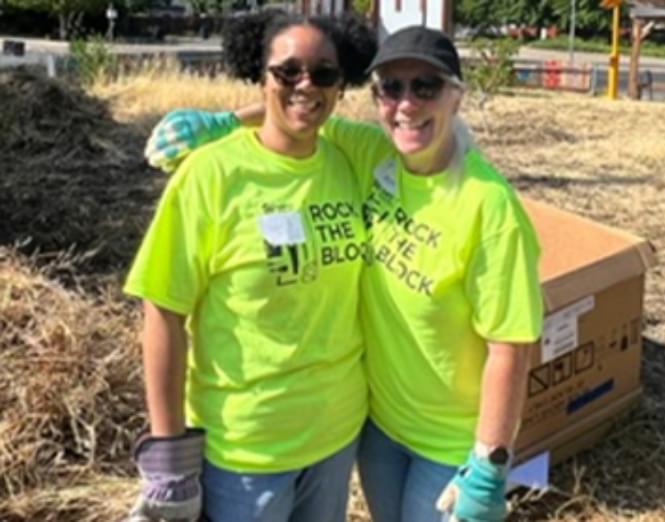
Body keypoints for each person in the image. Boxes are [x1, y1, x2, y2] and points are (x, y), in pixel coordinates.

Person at [147, 26, 544, 522]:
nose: (407, 103)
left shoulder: (480, 202)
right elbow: (302, 112)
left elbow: (512, 344)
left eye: (426, 87)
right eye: (391, 88)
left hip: (423, 442)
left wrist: (490, 461)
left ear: (456, 97)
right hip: (346, 434)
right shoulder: (368, 156)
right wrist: (223, 124)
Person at [124, 10, 376, 522]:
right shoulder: (211, 175)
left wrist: (231, 116)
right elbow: (163, 313)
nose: (306, 84)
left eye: (324, 73)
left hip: (336, 434)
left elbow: (424, 132)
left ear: (341, 84)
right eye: (287, 71)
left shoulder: (349, 159)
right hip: (245, 451)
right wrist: (168, 458)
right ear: (259, 75)